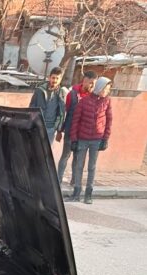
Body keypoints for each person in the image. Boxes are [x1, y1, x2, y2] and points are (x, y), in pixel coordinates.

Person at [68, 76, 112, 204]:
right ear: (99, 87)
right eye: (105, 89)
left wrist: (105, 138)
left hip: (97, 139)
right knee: (79, 166)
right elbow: (76, 120)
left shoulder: (107, 101)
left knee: (92, 167)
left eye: (108, 89)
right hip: (82, 139)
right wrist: (74, 139)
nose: (106, 91)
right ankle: (76, 192)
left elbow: (109, 121)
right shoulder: (84, 101)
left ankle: (88, 194)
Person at [57, 70, 98, 184]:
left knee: (78, 158)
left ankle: (74, 181)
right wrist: (60, 130)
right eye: (91, 83)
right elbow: (66, 112)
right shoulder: (72, 94)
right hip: (70, 130)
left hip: (83, 133)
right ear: (84, 81)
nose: (92, 86)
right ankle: (58, 180)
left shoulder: (94, 96)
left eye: (94, 84)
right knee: (65, 155)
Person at [29, 67, 66, 144]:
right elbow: (31, 108)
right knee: (34, 148)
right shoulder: (39, 91)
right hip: (38, 127)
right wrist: (32, 124)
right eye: (53, 78)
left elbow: (62, 113)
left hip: (50, 129)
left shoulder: (61, 93)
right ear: (49, 78)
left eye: (57, 78)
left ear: (60, 79)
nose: (55, 80)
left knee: (47, 150)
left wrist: (59, 130)